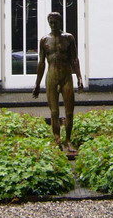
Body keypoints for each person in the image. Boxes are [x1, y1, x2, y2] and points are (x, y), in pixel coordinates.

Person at [32, 12, 84, 150]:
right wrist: (37, 84)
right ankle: (57, 139)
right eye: (51, 22)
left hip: (66, 76)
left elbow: (75, 59)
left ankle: (68, 140)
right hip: (52, 77)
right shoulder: (44, 40)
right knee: (54, 112)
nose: (53, 25)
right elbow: (41, 63)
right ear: (48, 22)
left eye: (56, 22)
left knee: (69, 112)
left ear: (60, 22)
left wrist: (79, 78)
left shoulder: (69, 38)